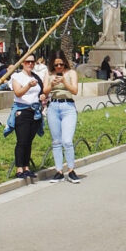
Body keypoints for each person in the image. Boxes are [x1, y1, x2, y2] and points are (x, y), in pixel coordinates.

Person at [43, 50, 80, 183]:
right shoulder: (49, 74)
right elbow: (45, 91)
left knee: (67, 141)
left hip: (68, 107)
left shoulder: (71, 73)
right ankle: (59, 171)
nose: (59, 67)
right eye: (56, 65)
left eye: (61, 64)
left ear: (65, 63)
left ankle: (71, 170)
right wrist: (51, 84)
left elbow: (75, 91)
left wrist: (64, 81)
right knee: (56, 141)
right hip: (53, 106)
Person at [8, 55, 45, 179]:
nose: (30, 64)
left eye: (32, 62)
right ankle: (19, 168)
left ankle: (26, 167)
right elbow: (18, 93)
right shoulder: (17, 77)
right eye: (27, 62)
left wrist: (42, 97)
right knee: (22, 140)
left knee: (29, 141)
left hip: (35, 111)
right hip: (22, 111)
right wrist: (28, 86)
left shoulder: (36, 77)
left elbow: (41, 92)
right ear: (22, 63)